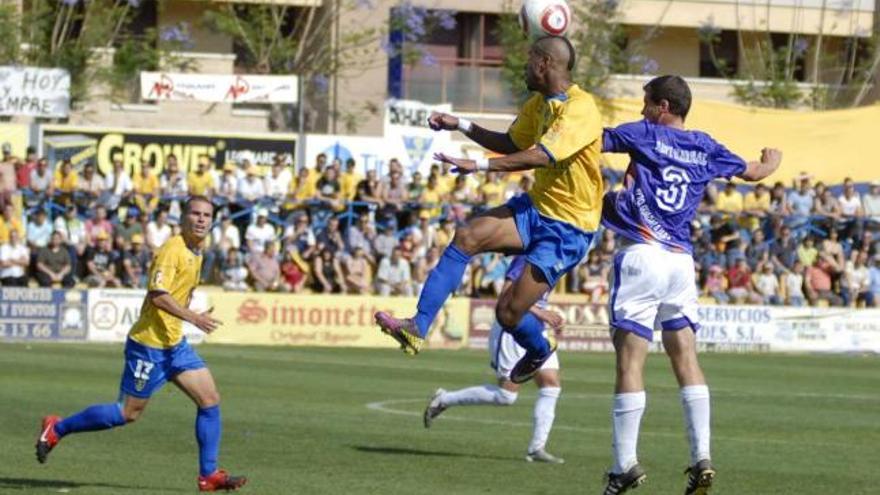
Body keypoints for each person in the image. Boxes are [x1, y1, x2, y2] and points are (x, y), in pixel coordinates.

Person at [375, 36, 604, 386]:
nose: (525, 67)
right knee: (467, 235)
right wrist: (462, 125)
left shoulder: (581, 107)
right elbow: (512, 143)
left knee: (508, 313)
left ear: (545, 64)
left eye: (530, 60)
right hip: (537, 208)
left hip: (568, 228)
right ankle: (417, 327)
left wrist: (478, 166)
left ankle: (539, 348)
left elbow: (542, 154)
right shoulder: (539, 103)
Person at [598, 75, 781, 494]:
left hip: (642, 255)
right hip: (680, 263)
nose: (642, 109)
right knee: (687, 360)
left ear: (662, 106)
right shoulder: (706, 145)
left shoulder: (644, 133)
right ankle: (702, 456)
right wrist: (773, 160)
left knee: (630, 364)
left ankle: (623, 464)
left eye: (646, 102)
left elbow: (591, 143)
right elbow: (756, 172)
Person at [36, 196, 247, 492]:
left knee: (210, 400)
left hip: (175, 344)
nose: (201, 219)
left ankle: (208, 475)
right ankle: (57, 428)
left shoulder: (197, 252)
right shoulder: (171, 251)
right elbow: (157, 295)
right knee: (127, 413)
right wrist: (192, 317)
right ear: (183, 218)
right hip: (148, 345)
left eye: (206, 215)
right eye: (195, 214)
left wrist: (184, 320)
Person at [423, 256, 565, 463]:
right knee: (506, 395)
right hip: (512, 326)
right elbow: (506, 295)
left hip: (537, 328)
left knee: (551, 384)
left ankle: (537, 448)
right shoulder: (529, 256)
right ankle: (444, 399)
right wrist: (541, 313)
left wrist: (547, 316)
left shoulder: (558, 256)